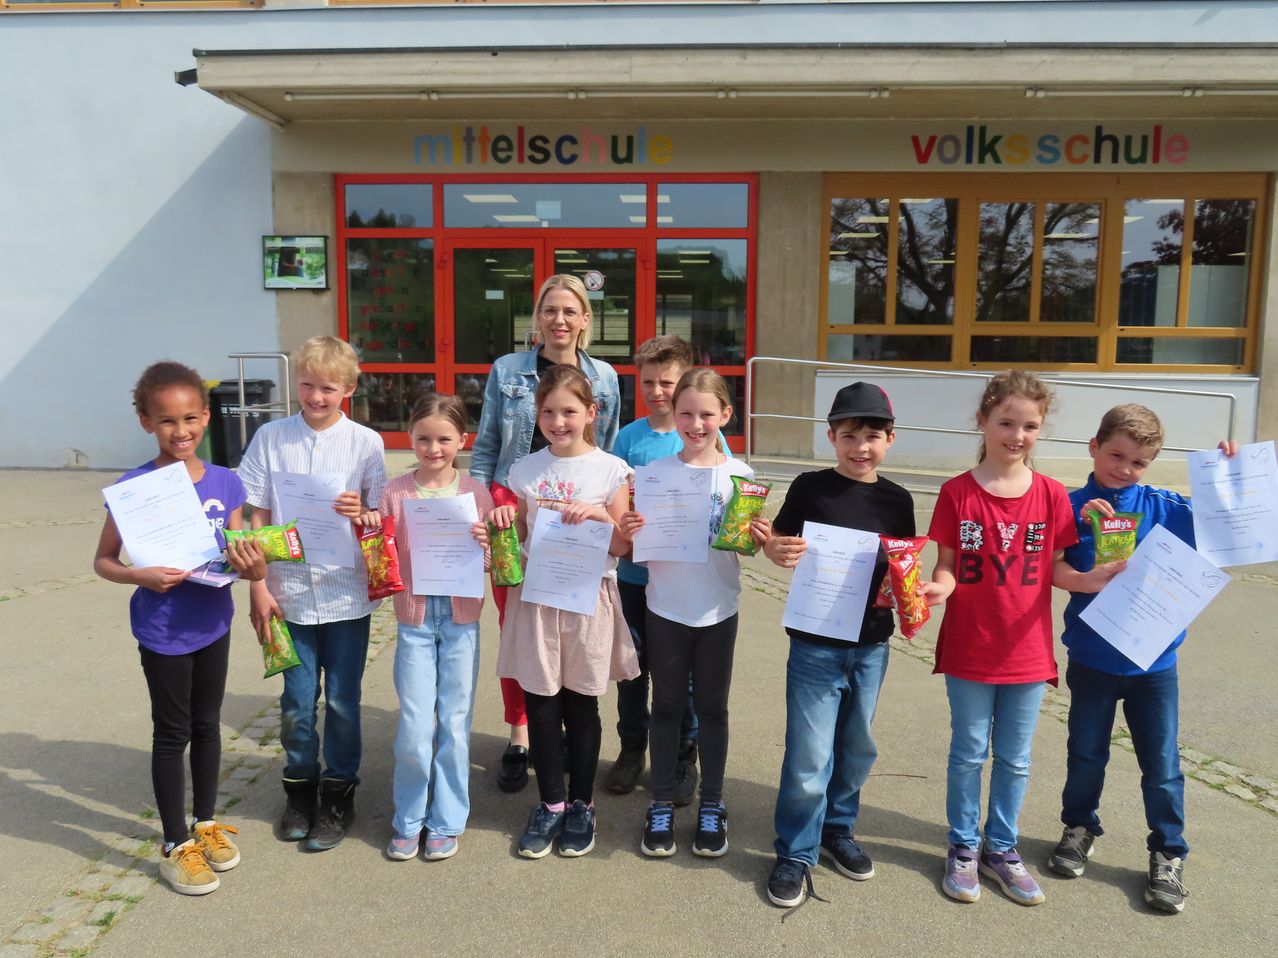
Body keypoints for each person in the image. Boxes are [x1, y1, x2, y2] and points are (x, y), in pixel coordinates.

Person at [920, 370, 1123, 906]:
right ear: (983, 421)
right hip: (969, 646)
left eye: (1029, 425)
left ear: (1040, 431)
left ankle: (1002, 848)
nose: (1017, 434)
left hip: (1028, 652)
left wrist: (1089, 580)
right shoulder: (956, 493)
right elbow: (947, 565)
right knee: (968, 752)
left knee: (1015, 758)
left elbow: (1056, 568)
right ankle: (963, 847)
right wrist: (937, 590)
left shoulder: (1053, 495)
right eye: (1006, 422)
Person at [1048, 404, 1237, 913]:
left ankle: (1168, 853)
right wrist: (1081, 538)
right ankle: (1079, 827)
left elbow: (1229, 530)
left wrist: (1231, 476)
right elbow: (1048, 563)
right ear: (1093, 446)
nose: (1125, 469)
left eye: (1139, 462)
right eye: (1116, 455)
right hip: (1092, 658)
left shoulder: (1164, 505)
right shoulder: (1068, 505)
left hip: (1154, 665)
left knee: (1162, 764)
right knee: (1086, 752)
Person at [94, 362, 266, 896]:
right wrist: (136, 575)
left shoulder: (226, 481)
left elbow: (241, 559)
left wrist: (255, 568)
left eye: (191, 417)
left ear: (207, 417)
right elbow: (103, 560)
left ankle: (205, 824)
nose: (181, 430)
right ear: (146, 422)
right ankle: (174, 845)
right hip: (164, 630)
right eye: (167, 420)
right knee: (172, 734)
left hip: (213, 623)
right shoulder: (133, 488)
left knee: (209, 725)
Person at [760, 382, 917, 908]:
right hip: (814, 642)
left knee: (856, 748)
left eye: (873, 436)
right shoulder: (809, 488)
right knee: (809, 755)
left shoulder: (898, 500)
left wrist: (907, 591)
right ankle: (796, 852)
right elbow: (780, 545)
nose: (861, 446)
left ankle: (837, 831)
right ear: (831, 437)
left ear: (891, 439)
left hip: (871, 645)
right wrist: (778, 551)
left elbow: (901, 567)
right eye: (849, 435)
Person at [470, 274, 622, 793]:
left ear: (585, 320)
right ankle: (521, 734)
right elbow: (489, 444)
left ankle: (565, 740)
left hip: (577, 534)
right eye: (549, 310)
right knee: (520, 628)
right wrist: (491, 507)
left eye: (570, 311)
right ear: (538, 319)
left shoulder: (603, 377)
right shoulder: (507, 370)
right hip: (516, 514)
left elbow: (608, 447)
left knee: (572, 638)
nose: (559, 319)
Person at [239, 336, 388, 852]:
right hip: (286, 593)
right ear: (294, 383)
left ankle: (339, 792)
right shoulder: (270, 438)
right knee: (297, 703)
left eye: (328, 388)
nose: (316, 397)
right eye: (307, 385)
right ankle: (299, 790)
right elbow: (255, 514)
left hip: (346, 594)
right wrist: (258, 587)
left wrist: (363, 514)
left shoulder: (366, 443)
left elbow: (378, 518)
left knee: (344, 701)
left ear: (348, 389)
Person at [619, 369, 770, 859]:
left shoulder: (741, 477)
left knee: (713, 710)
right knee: (664, 707)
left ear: (726, 415)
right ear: (673, 415)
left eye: (708, 414)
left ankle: (712, 803)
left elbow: (744, 549)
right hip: (664, 607)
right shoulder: (653, 476)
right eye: (687, 413)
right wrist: (630, 526)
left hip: (718, 609)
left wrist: (756, 539)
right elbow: (632, 544)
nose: (697, 423)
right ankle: (661, 800)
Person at [489, 364, 638, 858]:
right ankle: (551, 803)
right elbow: (522, 540)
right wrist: (506, 522)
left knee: (582, 704)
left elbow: (623, 546)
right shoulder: (526, 470)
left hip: (588, 599)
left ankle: (582, 804)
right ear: (537, 415)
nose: (558, 421)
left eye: (569, 411)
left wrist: (598, 514)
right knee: (542, 704)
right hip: (538, 600)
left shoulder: (611, 469)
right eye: (548, 411)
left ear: (591, 412)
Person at [381, 394, 494, 863]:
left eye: (444, 439)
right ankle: (408, 816)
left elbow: (490, 562)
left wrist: (490, 540)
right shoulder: (395, 492)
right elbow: (381, 557)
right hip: (415, 618)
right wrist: (372, 529)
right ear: (411, 438)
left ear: (461, 441)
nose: (433, 448)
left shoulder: (475, 493)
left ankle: (446, 818)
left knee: (452, 721)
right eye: (423, 439)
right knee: (413, 723)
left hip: (463, 616)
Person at [606, 335, 705, 801]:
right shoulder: (628, 438)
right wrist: (621, 522)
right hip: (634, 577)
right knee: (632, 667)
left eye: (667, 382)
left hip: (682, 580)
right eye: (648, 382)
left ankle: (685, 752)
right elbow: (617, 499)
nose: (658, 391)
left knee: (680, 672)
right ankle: (632, 747)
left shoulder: (703, 435)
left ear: (685, 380)